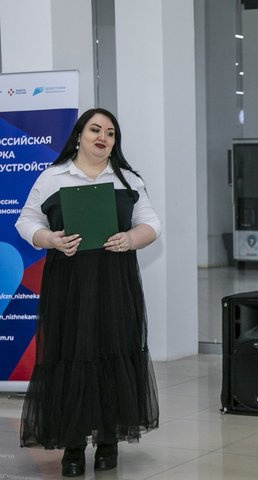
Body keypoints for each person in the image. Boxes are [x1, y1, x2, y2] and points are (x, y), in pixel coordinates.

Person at [15, 108, 161, 477]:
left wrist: (130, 239)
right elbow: (26, 220)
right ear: (79, 135)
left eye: (110, 133)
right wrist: (49, 238)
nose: (103, 137)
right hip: (68, 282)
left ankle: (109, 440)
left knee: (113, 352)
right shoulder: (53, 176)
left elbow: (152, 223)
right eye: (95, 129)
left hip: (115, 282)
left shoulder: (127, 179)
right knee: (71, 355)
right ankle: (74, 445)